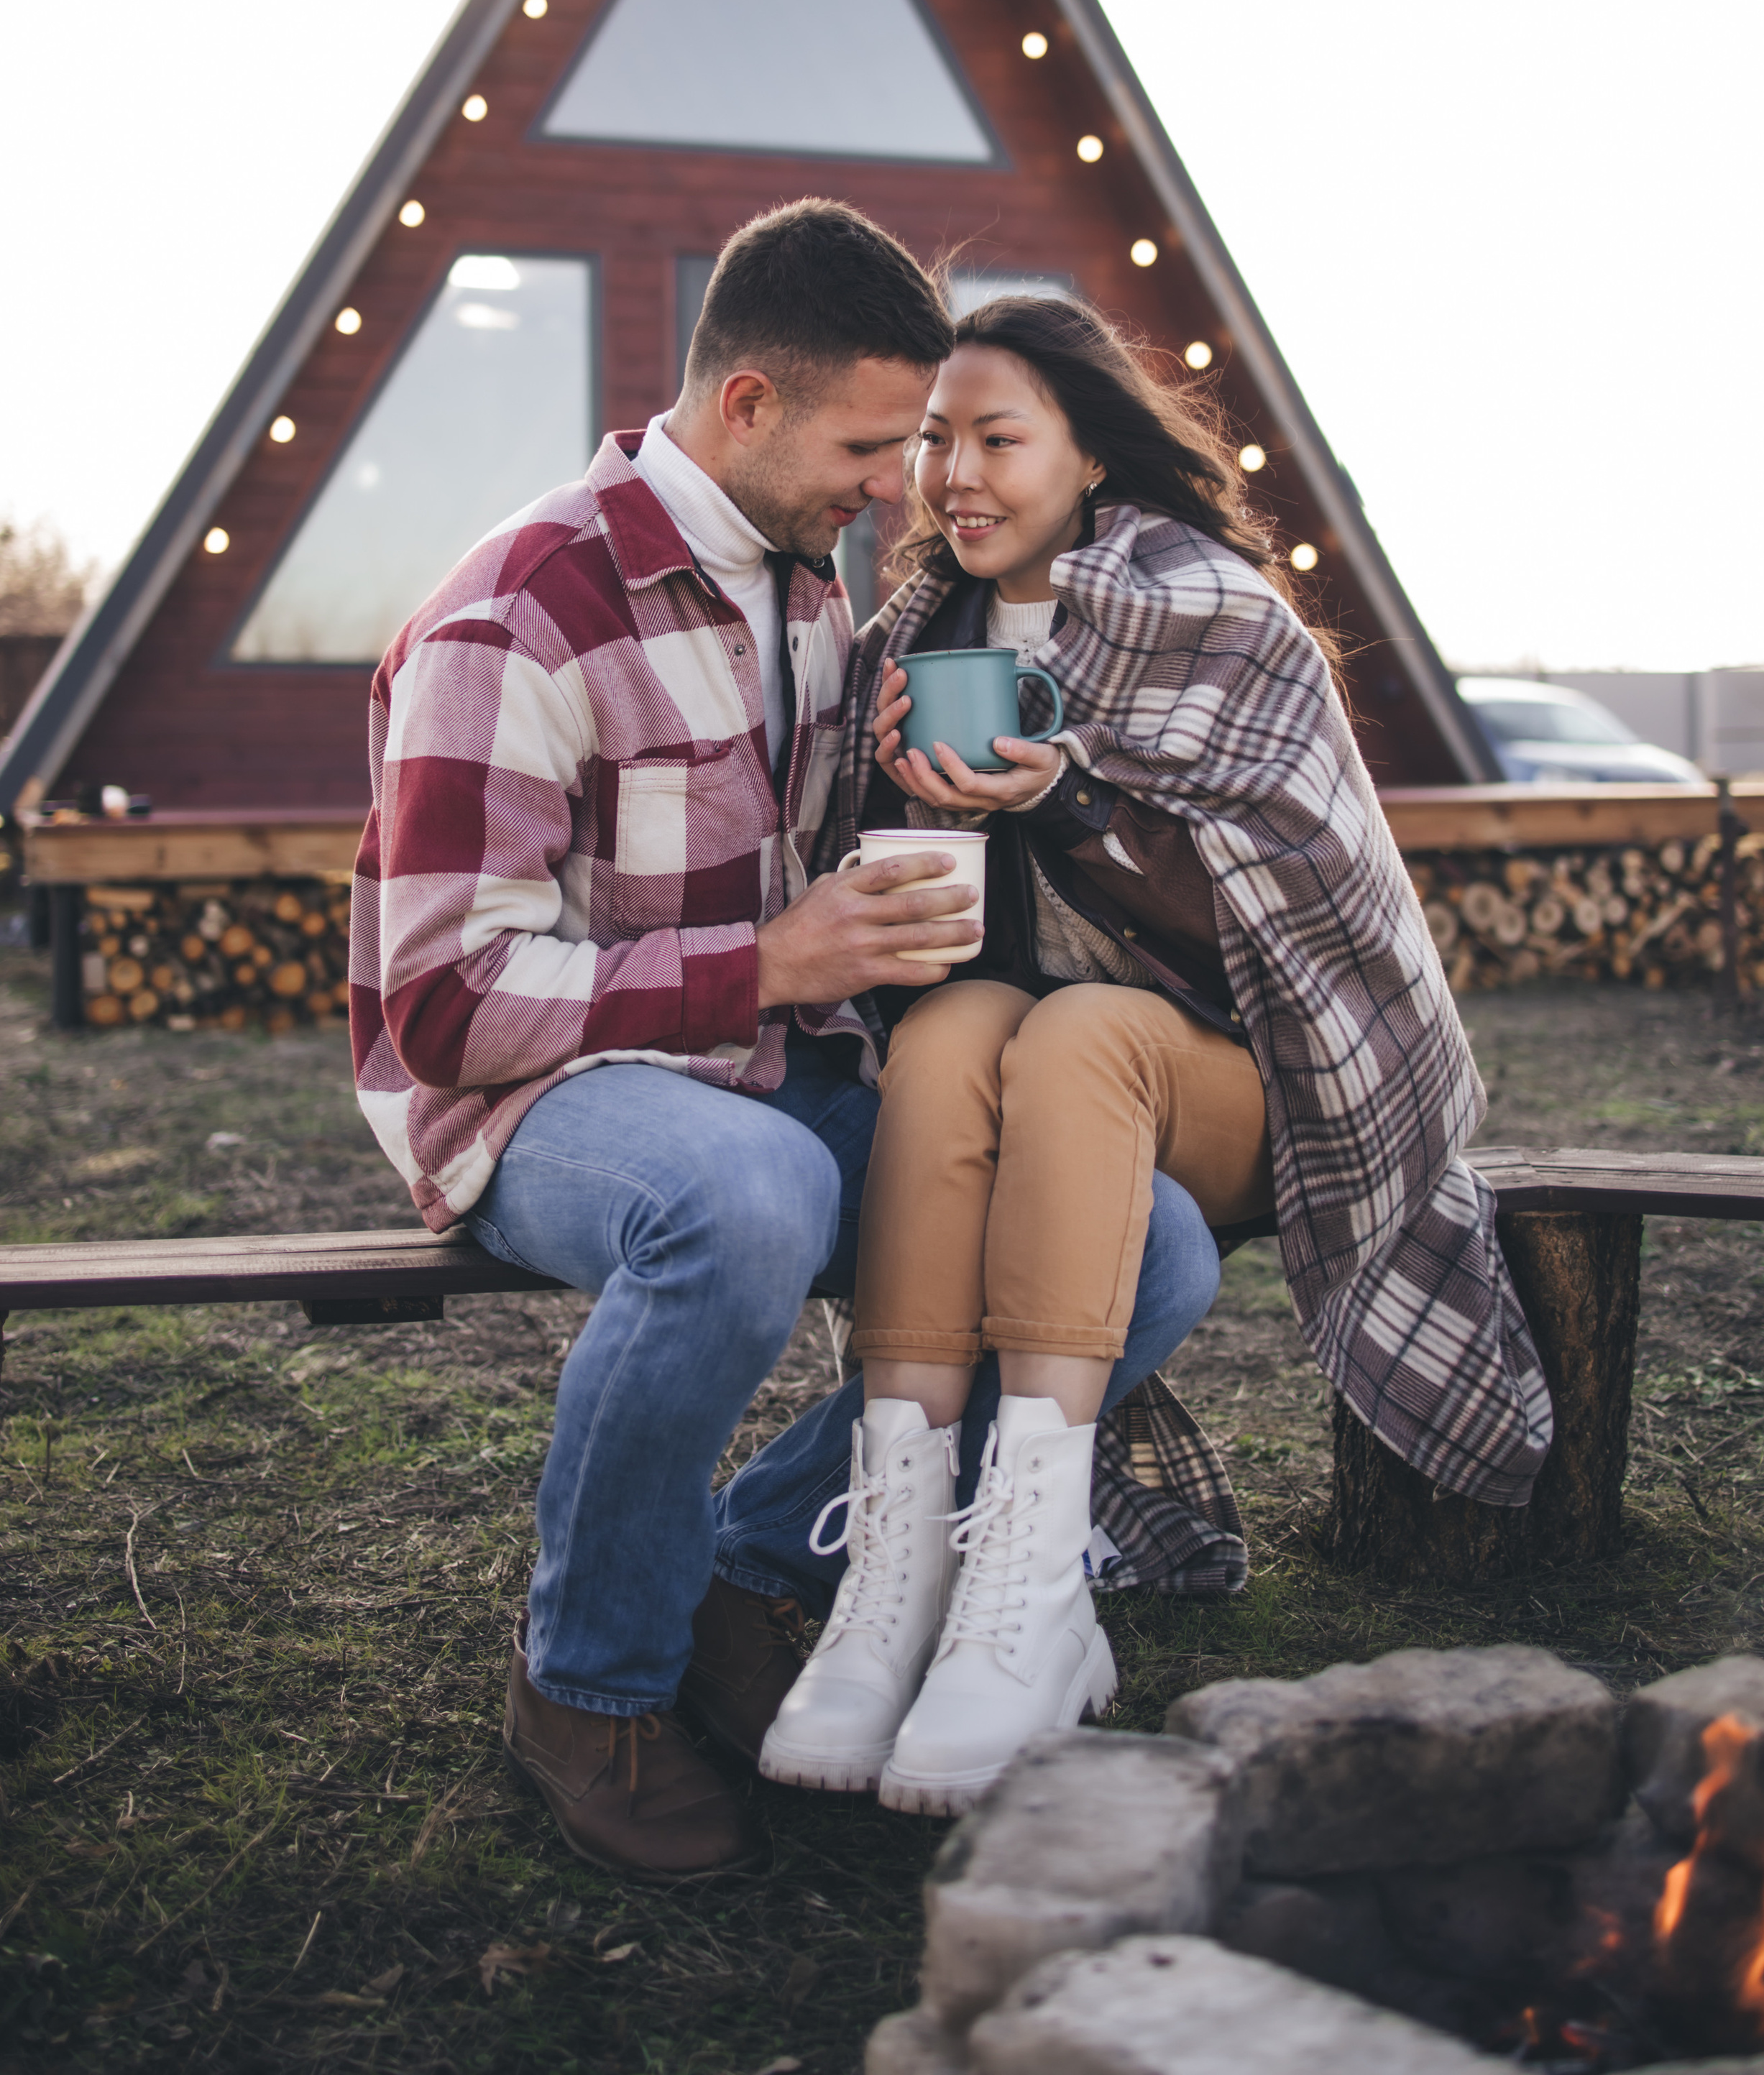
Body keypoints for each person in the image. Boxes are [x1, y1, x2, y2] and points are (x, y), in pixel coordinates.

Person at [346, 204, 1221, 1880]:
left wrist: (903, 799)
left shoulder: (810, 587)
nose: (899, 489)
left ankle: (744, 1570)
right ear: (746, 402)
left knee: (1150, 1244)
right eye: (870, 447)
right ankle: (587, 1682)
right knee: (747, 1197)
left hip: (773, 1071)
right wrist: (765, 962)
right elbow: (439, 1006)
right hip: (535, 1101)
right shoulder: (516, 611)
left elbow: (795, 878)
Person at [750, 293, 1554, 1815]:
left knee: (1083, 1031)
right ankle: (899, 1580)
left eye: (998, 439)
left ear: (1090, 455)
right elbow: (932, 950)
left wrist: (1064, 803)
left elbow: (1279, 918)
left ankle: (1036, 1587)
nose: (955, 477)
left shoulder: (1216, 614)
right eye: (935, 442)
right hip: (1027, 1062)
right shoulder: (911, 637)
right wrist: (905, 807)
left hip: (1258, 1082)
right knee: (953, 1038)